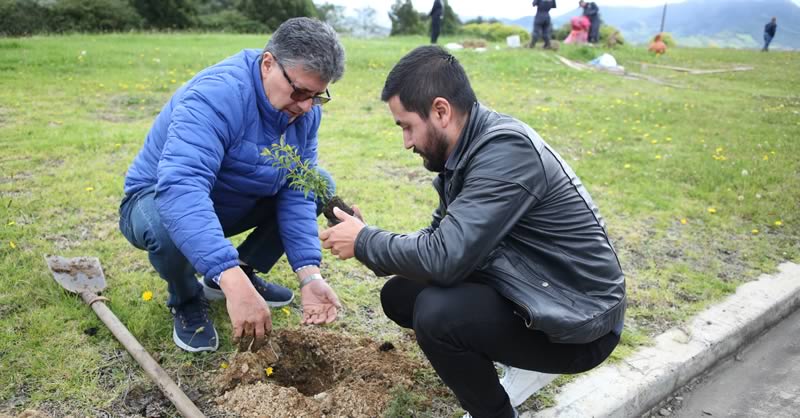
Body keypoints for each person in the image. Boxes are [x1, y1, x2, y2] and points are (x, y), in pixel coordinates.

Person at [320, 46, 626, 418]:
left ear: (441, 111)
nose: (406, 142)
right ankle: (509, 357)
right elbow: (439, 243)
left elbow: (445, 259)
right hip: (533, 291)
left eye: (406, 126)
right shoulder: (466, 153)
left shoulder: (506, 151)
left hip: (579, 321)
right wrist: (367, 236)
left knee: (437, 314)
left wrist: (366, 241)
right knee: (401, 296)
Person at [119, 17, 344, 354]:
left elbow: (296, 190)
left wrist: (309, 275)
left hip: (225, 201)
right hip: (156, 199)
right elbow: (182, 190)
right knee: (167, 225)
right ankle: (187, 297)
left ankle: (237, 272)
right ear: (268, 64)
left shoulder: (305, 112)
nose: (306, 106)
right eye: (299, 92)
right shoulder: (215, 96)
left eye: (317, 96)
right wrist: (228, 272)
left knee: (315, 183)